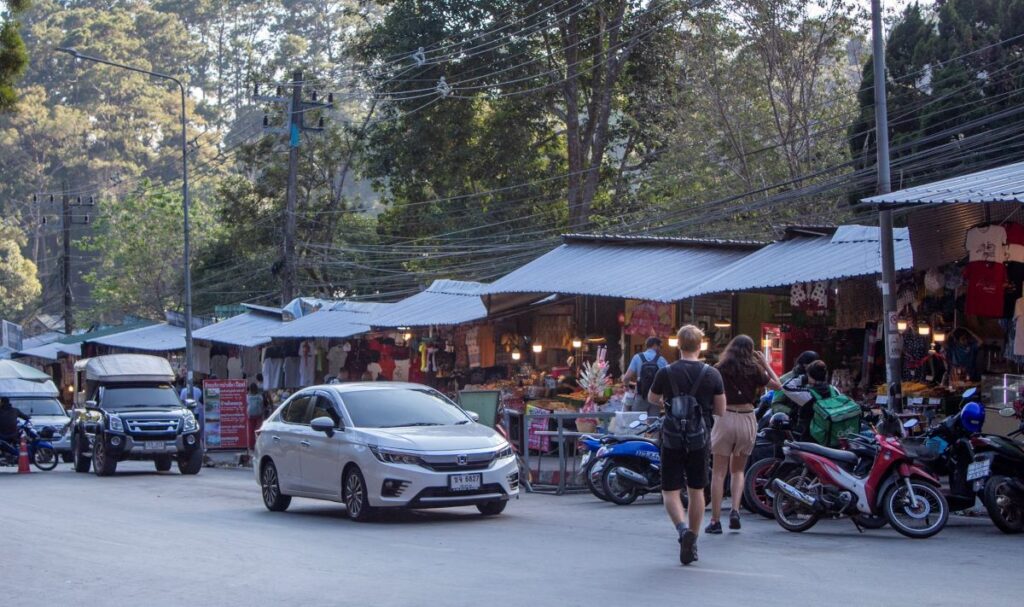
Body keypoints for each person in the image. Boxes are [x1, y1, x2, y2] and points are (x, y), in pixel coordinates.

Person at [647, 325, 725, 566]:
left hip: (671, 438)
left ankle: (682, 531)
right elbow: (721, 410)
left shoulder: (666, 371)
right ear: (700, 345)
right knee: (696, 490)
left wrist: (669, 402)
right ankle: (694, 537)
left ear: (678, 345)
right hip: (699, 439)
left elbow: (651, 398)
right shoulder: (712, 374)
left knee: (669, 491)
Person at [706, 335, 781, 534]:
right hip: (748, 418)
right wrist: (765, 363)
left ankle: (715, 520)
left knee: (719, 472)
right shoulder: (755, 370)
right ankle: (735, 510)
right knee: (738, 470)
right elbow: (778, 385)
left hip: (725, 417)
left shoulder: (718, 368)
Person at [622, 336, 668, 415]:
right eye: (660, 346)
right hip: (655, 397)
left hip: (640, 395)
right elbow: (668, 380)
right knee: (653, 423)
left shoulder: (637, 357)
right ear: (655, 345)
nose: (660, 349)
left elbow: (627, 377)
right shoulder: (662, 360)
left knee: (636, 422)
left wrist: (626, 386)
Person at [246, 382, 263, 449]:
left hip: (250, 415)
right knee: (259, 430)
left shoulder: (247, 397)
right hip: (258, 415)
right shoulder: (259, 396)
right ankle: (259, 445)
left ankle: (251, 445)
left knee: (250, 431)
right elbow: (262, 405)